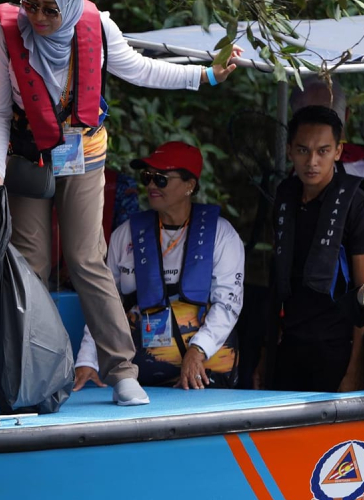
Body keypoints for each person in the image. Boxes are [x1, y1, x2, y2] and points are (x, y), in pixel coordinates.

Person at [0, 0, 241, 406]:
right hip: (27, 154)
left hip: (84, 152)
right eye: (30, 4)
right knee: (29, 261)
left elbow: (139, 70)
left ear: (74, 3)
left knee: (85, 257)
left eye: (49, 9)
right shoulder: (5, 36)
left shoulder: (96, 27)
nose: (37, 16)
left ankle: (121, 370)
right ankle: (35, 369)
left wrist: (205, 77)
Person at [74, 142, 244, 390]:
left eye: (161, 179)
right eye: (147, 177)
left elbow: (228, 304)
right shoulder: (126, 235)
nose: (152, 185)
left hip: (206, 375)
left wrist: (198, 351)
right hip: (141, 380)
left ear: (190, 185)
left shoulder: (221, 234)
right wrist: (87, 359)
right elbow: (104, 303)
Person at [262, 105, 364, 392]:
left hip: (338, 348)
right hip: (291, 345)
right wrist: (265, 358)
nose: (312, 161)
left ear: (338, 151)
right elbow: (278, 283)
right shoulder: (285, 198)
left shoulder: (357, 204)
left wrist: (355, 371)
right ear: (289, 151)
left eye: (322, 151)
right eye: (302, 150)